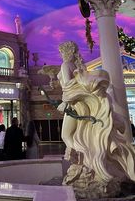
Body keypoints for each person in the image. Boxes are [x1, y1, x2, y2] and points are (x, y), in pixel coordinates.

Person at [56, 40, 135, 183]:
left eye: (61, 52)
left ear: (66, 51)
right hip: (83, 105)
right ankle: (89, 160)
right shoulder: (78, 67)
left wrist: (64, 102)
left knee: (66, 135)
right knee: (84, 135)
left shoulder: (66, 65)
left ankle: (86, 162)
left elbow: (68, 87)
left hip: (74, 105)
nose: (61, 55)